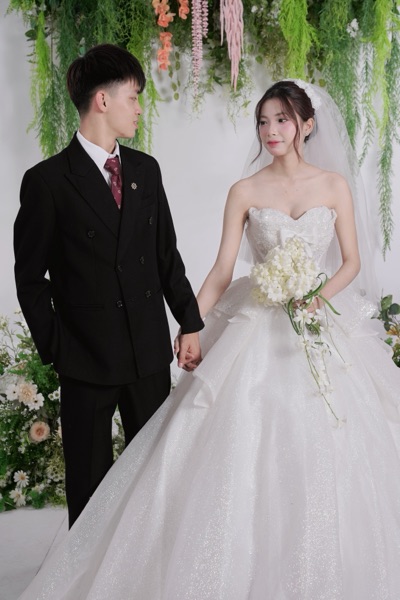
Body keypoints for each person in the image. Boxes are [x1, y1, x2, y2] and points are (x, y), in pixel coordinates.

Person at [18, 81, 400, 599]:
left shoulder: (333, 186)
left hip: (315, 321)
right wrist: (191, 325)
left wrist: (316, 299)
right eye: (263, 121)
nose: (270, 131)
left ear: (307, 125)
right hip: (257, 320)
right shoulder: (245, 191)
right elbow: (222, 270)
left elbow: (351, 262)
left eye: (282, 120)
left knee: (331, 442)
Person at [13, 43, 204, 528]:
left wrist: (189, 321)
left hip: (146, 352)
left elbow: (165, 255)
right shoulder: (48, 181)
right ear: (102, 100)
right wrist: (59, 349)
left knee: (156, 481)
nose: (139, 108)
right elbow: (29, 278)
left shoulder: (145, 170)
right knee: (90, 490)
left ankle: (151, 567)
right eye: (133, 97)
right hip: (86, 360)